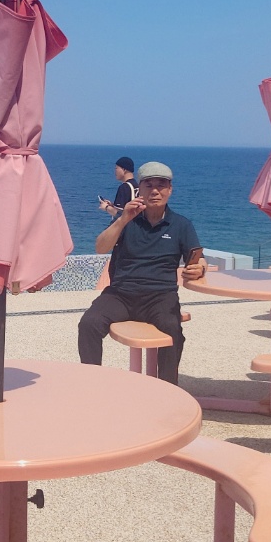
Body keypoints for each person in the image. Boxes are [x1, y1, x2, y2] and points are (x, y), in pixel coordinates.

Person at [79, 162, 206, 385]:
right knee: (89, 323)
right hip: (120, 294)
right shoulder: (126, 220)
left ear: (170, 190)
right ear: (140, 190)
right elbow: (100, 247)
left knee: (172, 330)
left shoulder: (181, 225)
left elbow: (197, 258)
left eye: (161, 185)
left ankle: (167, 389)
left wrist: (200, 267)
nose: (155, 191)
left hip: (160, 296)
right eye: (149, 185)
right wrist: (123, 219)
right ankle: (92, 385)